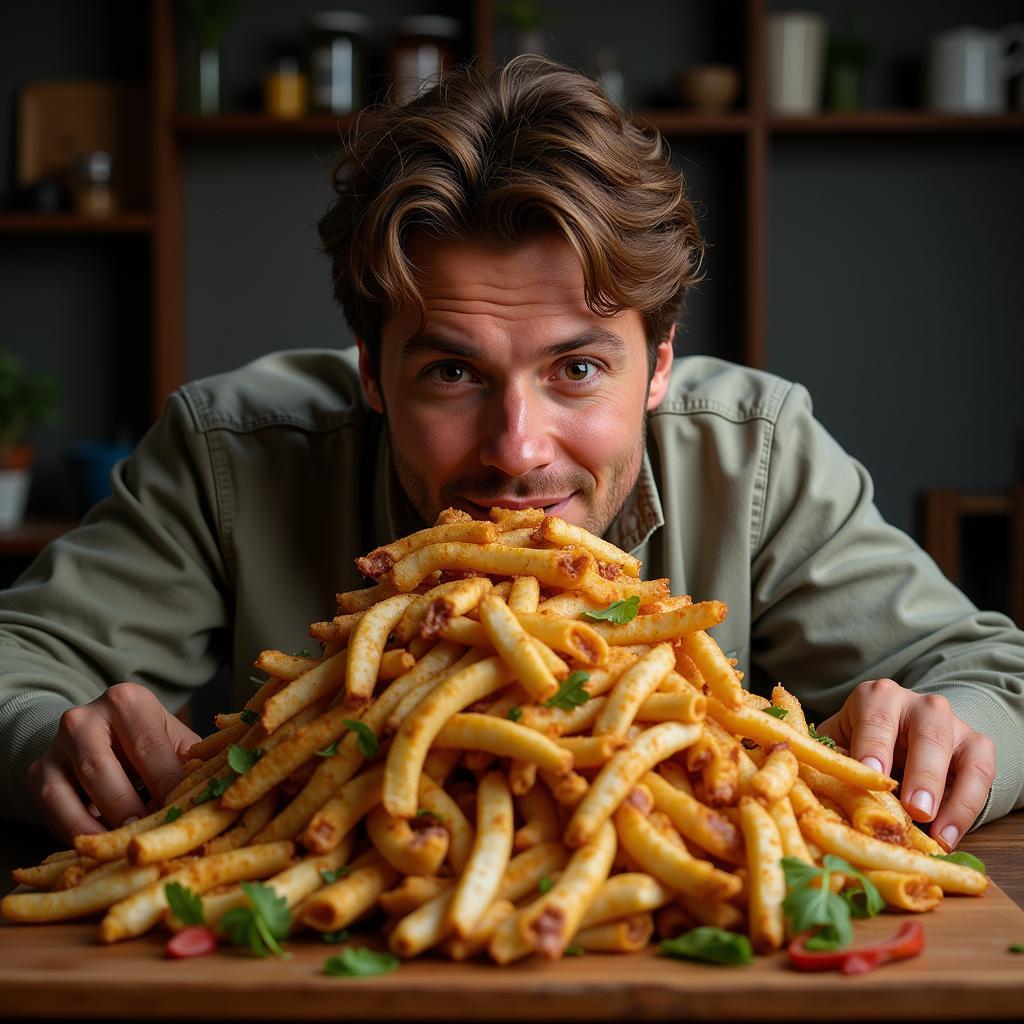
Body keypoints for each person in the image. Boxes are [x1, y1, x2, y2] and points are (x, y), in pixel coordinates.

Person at [2, 56, 1022, 852]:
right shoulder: (230, 453)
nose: (516, 450)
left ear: (659, 365)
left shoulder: (756, 453)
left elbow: (993, 675)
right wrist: (47, 741)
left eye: (577, 370)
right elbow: (17, 665)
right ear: (370, 370)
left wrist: (946, 735)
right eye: (451, 374)